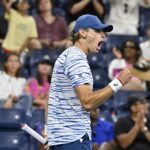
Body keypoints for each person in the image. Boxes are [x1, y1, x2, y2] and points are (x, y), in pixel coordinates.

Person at [46, 14, 131, 150]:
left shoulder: (66, 55)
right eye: (97, 31)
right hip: (74, 139)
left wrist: (50, 133)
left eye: (103, 33)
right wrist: (118, 82)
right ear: (82, 32)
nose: (102, 35)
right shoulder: (77, 59)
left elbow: (49, 97)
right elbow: (87, 102)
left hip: (62, 138)